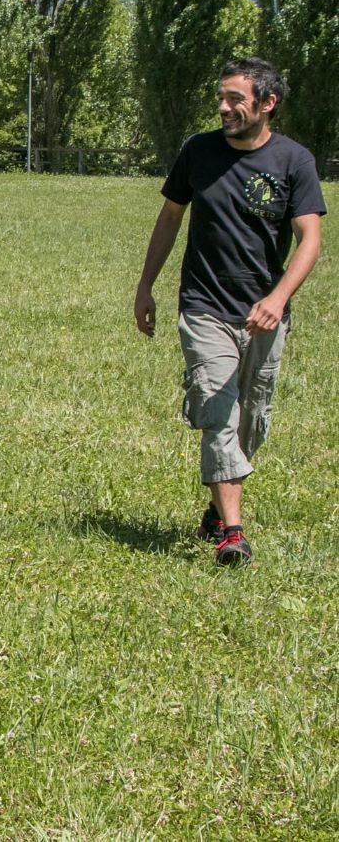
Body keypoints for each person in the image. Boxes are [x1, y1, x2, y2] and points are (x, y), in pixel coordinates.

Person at [135, 58, 325, 565]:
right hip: (203, 307)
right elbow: (170, 216)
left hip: (264, 311)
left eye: (235, 99)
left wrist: (278, 298)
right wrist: (146, 285)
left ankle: (216, 509)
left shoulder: (294, 161)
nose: (223, 108)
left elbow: (310, 239)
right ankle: (233, 535)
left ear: (267, 103)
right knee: (220, 413)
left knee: (253, 421)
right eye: (221, 97)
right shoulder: (198, 152)